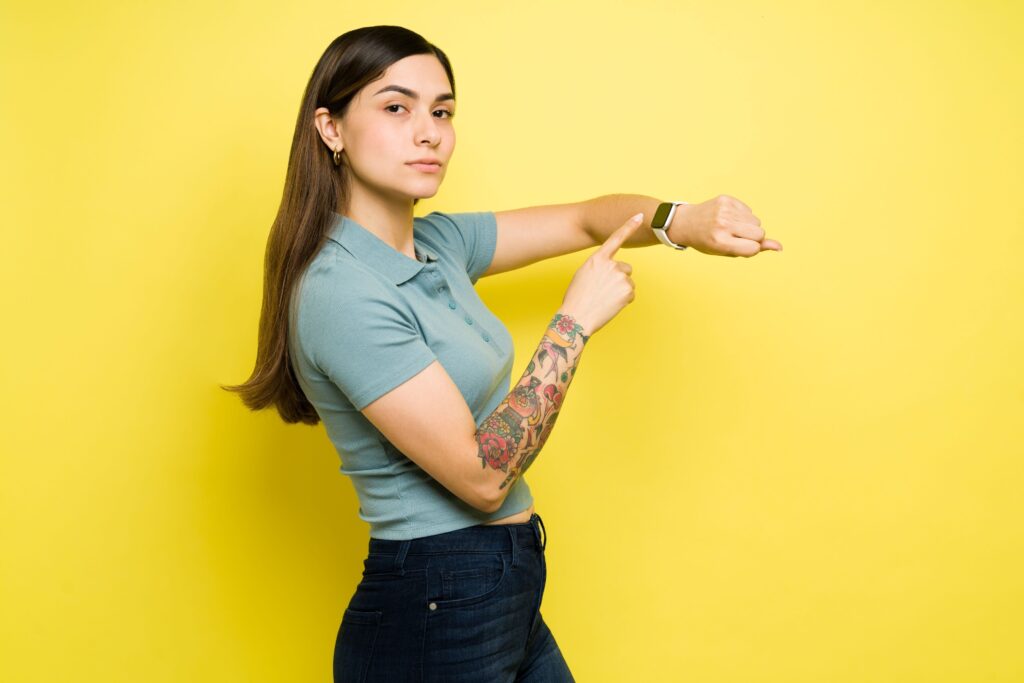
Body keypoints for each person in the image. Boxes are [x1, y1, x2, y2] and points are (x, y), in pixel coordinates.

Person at [223, 24, 781, 683]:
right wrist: (572, 323)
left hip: (498, 587)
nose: (428, 131)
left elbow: (583, 220)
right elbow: (483, 478)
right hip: (436, 608)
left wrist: (682, 220)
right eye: (396, 107)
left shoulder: (440, 244)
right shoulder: (340, 291)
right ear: (331, 128)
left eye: (443, 111)